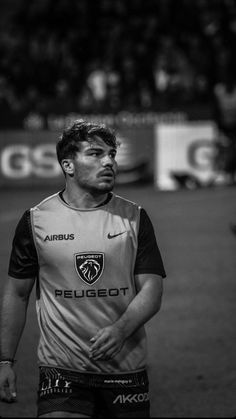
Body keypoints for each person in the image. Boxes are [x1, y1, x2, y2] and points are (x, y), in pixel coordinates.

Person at [0, 120, 166, 418]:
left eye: (112, 154)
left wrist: (120, 330)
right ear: (68, 165)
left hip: (125, 367)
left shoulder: (135, 217)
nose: (109, 162)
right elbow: (17, 293)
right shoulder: (36, 221)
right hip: (61, 370)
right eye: (95, 153)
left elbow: (152, 289)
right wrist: (4, 361)